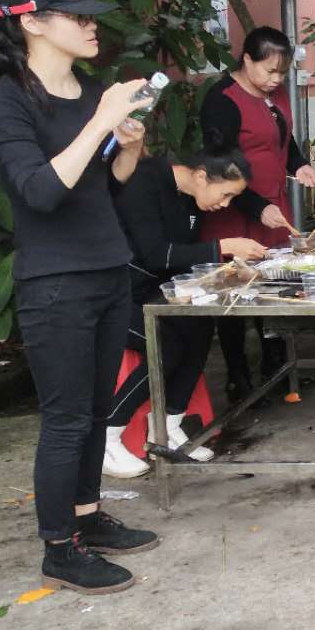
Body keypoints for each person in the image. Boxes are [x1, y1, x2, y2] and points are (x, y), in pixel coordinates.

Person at [0, 0, 159, 594]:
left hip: (107, 265)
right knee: (65, 419)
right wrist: (101, 121)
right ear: (32, 23)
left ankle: (87, 515)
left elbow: (103, 186)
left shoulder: (88, 91)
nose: (90, 26)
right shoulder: (5, 99)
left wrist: (127, 147)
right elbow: (40, 192)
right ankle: (59, 546)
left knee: (93, 409)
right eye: (76, 16)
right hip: (54, 282)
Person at [104, 149, 269, 476]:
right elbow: (156, 255)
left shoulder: (189, 198)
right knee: (165, 345)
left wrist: (226, 271)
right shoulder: (143, 182)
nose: (225, 204)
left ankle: (167, 425)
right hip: (110, 292)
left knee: (200, 322)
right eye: (225, 194)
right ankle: (107, 435)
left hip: (150, 291)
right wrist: (223, 247)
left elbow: (179, 257)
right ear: (201, 176)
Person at [200, 27, 315, 404]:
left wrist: (299, 164)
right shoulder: (222, 100)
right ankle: (237, 376)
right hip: (235, 209)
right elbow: (220, 167)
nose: (276, 79)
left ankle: (277, 366)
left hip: (273, 206)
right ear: (246, 60)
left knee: (275, 284)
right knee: (236, 292)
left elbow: (285, 138)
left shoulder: (275, 94)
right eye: (269, 71)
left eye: (282, 72)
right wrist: (256, 206)